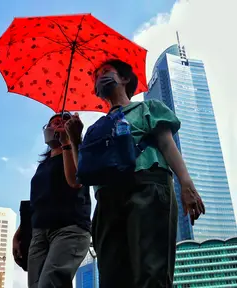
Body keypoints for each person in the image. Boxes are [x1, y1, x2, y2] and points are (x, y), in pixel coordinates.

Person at [65, 59, 205, 288]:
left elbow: (167, 145)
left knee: (152, 270)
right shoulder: (94, 129)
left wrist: (187, 185)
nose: (100, 77)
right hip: (107, 198)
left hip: (148, 185)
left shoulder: (147, 109)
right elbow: (82, 174)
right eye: (96, 76)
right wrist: (73, 138)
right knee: (112, 275)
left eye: (105, 72)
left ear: (125, 78)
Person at [13, 112, 91, 288]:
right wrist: (20, 233)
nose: (58, 123)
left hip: (69, 228)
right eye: (53, 122)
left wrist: (68, 143)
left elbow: (76, 181)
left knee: (50, 284)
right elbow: (37, 202)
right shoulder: (42, 166)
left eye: (64, 121)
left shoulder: (79, 153)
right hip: (39, 232)